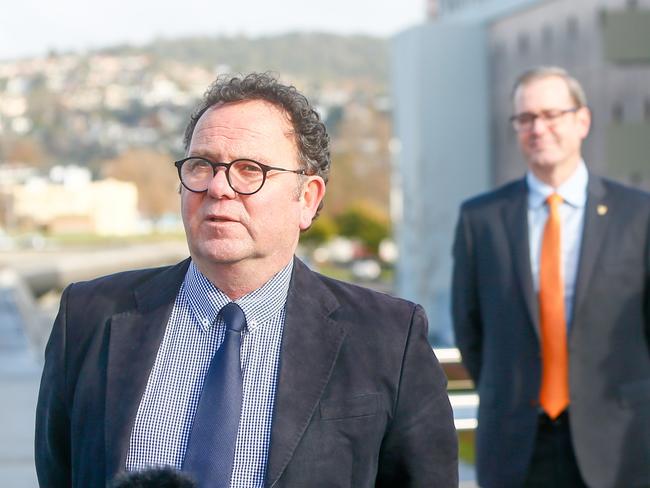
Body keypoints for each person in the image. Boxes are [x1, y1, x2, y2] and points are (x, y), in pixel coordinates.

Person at [35, 72, 458, 488]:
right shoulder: (90, 317)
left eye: (249, 169)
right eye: (202, 165)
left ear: (306, 200)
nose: (219, 187)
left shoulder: (388, 339)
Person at [451, 65, 650, 488]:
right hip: (515, 443)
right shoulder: (481, 219)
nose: (538, 128)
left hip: (619, 444)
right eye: (525, 118)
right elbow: (470, 328)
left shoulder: (639, 215)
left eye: (551, 114)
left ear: (582, 120)